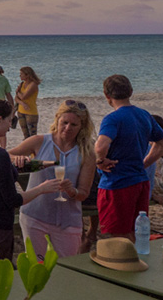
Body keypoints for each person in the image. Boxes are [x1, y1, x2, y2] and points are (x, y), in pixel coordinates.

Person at [0, 99, 66, 262]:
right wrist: (42, 188)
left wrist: (16, 167)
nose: (11, 126)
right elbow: (13, 200)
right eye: (10, 120)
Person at [8, 99, 97, 258]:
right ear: (57, 119)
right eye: (64, 122)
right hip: (34, 215)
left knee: (66, 268)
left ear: (82, 127)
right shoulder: (40, 141)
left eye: (74, 125)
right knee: (37, 268)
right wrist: (18, 159)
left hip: (68, 220)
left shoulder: (87, 152)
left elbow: (83, 193)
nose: (68, 128)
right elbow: (6, 155)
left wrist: (71, 191)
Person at [93, 75, 163, 241]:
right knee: (135, 232)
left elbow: (100, 146)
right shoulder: (144, 115)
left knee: (117, 236)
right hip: (140, 181)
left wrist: (100, 161)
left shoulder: (112, 118)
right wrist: (145, 163)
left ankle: (122, 264)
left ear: (106, 95)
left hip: (117, 183)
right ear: (130, 92)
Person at [14, 67, 41, 139]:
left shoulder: (33, 84)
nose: (20, 76)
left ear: (27, 75)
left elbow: (23, 97)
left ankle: (33, 150)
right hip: (21, 111)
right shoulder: (22, 84)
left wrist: (17, 92)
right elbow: (16, 98)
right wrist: (22, 104)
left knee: (32, 136)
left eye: (21, 74)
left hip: (31, 112)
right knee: (25, 135)